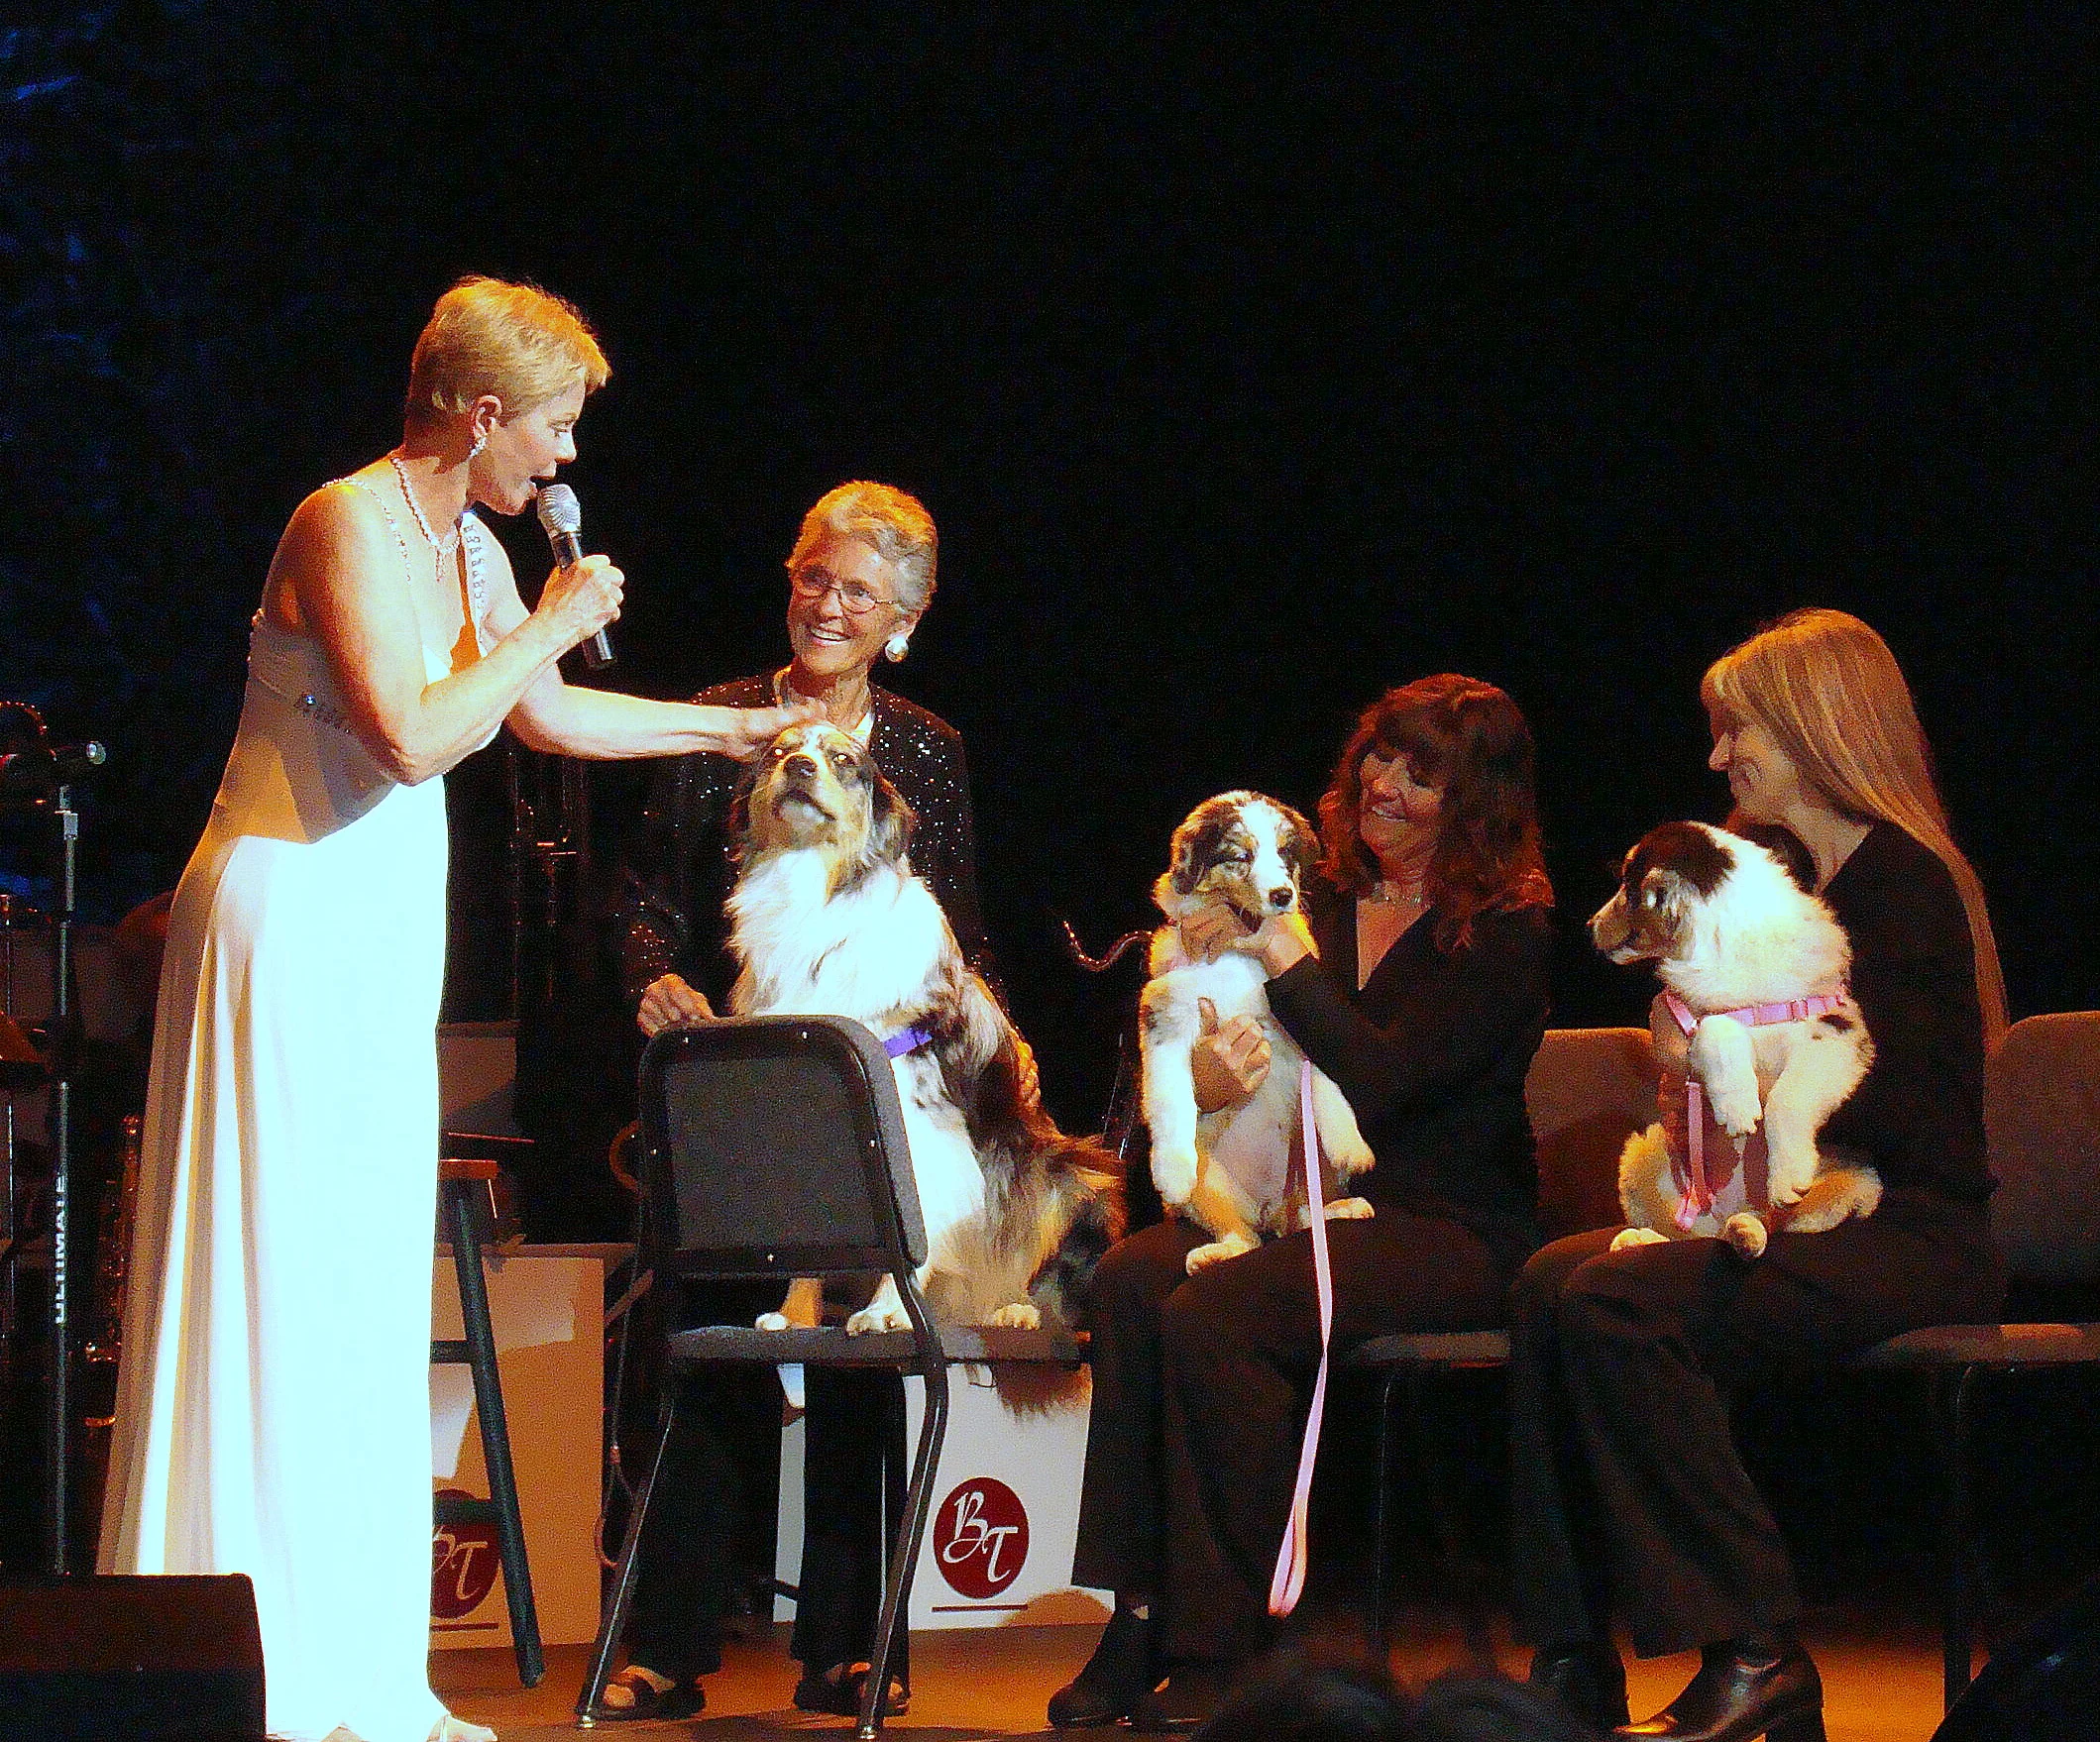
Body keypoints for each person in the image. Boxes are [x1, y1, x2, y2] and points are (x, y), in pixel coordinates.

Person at [96, 276, 816, 1742]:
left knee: (362, 1286)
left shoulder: (470, 543)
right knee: (280, 1269)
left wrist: (739, 726)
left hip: (374, 931)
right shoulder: (345, 520)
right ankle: (243, 1654)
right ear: (482, 413)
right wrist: (548, 623)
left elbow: (545, 717)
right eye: (552, 427)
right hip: (287, 917)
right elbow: (418, 733)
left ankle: (354, 1665)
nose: (561, 459)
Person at [1509, 608, 2008, 1740]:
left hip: (1904, 1227)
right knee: (1548, 1283)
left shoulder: (1906, 883)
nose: (1718, 757)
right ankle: (1571, 1655)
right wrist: (1688, 1050)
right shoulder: (1765, 878)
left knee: (1621, 1305)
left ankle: (1755, 1650)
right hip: (1774, 1211)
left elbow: (1908, 1114)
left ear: (1814, 728)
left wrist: (1752, 1044)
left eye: (1738, 731)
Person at [1050, 675, 1556, 1732]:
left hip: (1445, 1224)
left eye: (1421, 775)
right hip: (1294, 1201)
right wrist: (1201, 1085)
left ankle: (1221, 1640)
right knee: (1133, 1277)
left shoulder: (1503, 929)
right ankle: (1136, 1605)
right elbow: (1178, 1040)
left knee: (1222, 1312)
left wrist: (1281, 956)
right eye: (1378, 755)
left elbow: (1384, 1080)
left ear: (1474, 804)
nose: (1383, 785)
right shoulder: (1315, 891)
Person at [604, 481, 982, 1721]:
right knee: (703, 1349)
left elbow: (953, 941)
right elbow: (641, 890)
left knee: (860, 1349)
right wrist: (652, 973)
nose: (828, 605)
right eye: (814, 576)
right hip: (728, 1091)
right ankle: (666, 1640)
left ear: (904, 619)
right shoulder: (713, 722)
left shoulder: (926, 749)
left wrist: (908, 1057)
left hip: (860, 1096)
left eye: (859, 592)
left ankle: (849, 1645)